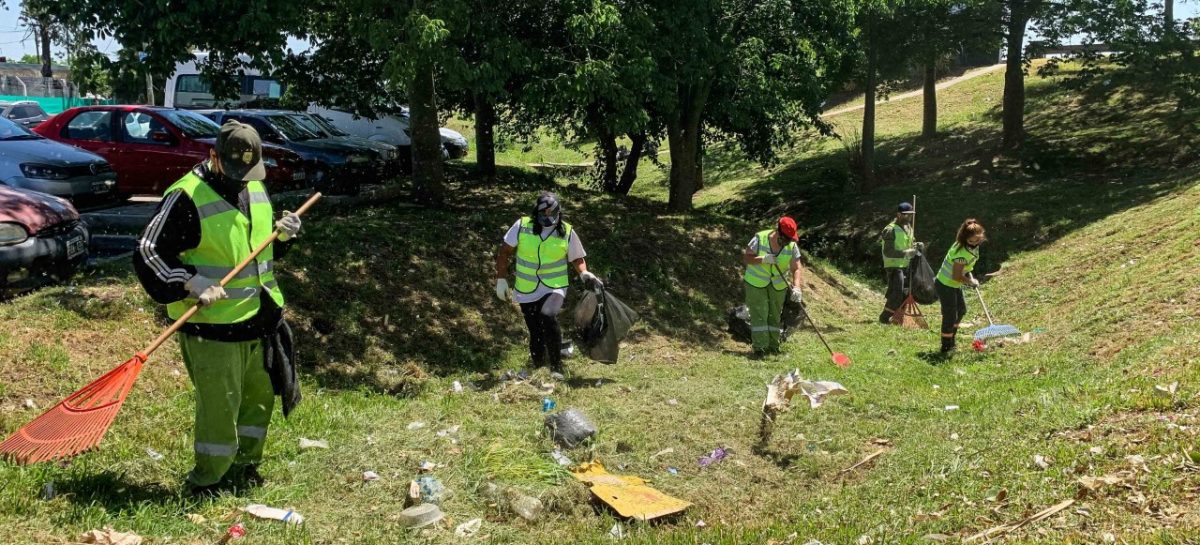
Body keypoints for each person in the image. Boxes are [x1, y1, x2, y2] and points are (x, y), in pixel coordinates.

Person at [133, 120, 302, 494]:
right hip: (213, 328)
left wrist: (282, 234)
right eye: (236, 168)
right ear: (214, 157)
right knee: (219, 411)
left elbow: (256, 249)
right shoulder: (187, 195)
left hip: (258, 319)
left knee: (258, 402)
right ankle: (209, 480)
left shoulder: (254, 186)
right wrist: (188, 282)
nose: (244, 178)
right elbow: (148, 252)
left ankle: (246, 466)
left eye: (250, 170)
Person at [494, 193, 600, 375]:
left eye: (553, 215)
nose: (548, 219)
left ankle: (556, 368)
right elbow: (504, 252)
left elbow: (576, 257)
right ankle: (538, 368)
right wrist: (501, 279)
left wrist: (584, 273)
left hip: (554, 285)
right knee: (535, 329)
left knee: (548, 316)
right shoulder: (522, 226)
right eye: (544, 215)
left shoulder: (566, 231)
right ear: (536, 213)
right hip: (526, 288)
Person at [742, 217, 804, 356]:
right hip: (756, 283)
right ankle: (760, 349)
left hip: (778, 285)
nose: (788, 241)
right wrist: (763, 259)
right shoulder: (760, 238)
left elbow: (796, 268)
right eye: (786, 238)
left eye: (790, 239)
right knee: (759, 314)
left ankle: (773, 347)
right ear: (778, 232)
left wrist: (797, 287)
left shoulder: (792, 246)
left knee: (775, 315)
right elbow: (747, 258)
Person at [934, 218, 986, 354]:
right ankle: (946, 347)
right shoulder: (961, 253)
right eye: (971, 241)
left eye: (977, 240)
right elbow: (956, 276)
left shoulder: (971, 247)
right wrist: (971, 282)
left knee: (961, 310)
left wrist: (968, 273)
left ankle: (952, 339)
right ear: (964, 238)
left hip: (954, 284)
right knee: (950, 315)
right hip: (945, 284)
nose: (975, 243)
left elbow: (967, 266)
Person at [878, 202, 923, 323]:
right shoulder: (889, 230)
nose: (909, 218)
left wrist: (916, 245)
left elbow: (910, 244)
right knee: (897, 293)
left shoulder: (909, 228)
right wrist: (906, 253)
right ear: (898, 214)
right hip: (893, 266)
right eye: (906, 215)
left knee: (905, 292)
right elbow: (888, 252)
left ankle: (898, 318)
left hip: (906, 265)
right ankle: (884, 318)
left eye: (911, 215)